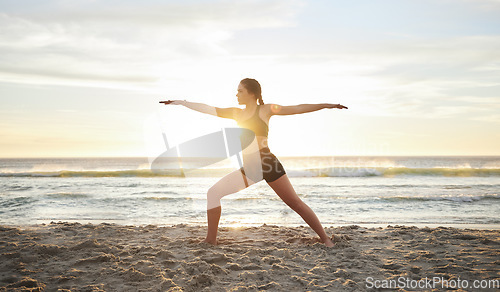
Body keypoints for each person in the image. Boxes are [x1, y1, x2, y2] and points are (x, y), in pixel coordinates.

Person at [161, 78, 348, 247]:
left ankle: (325, 239)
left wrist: (326, 105)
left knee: (295, 203)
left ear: (251, 93)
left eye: (240, 91)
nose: (236, 94)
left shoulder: (265, 110)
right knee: (213, 193)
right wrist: (182, 103)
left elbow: (297, 108)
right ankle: (211, 239)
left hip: (267, 164)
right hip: (250, 169)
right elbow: (208, 109)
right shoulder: (236, 114)